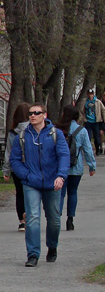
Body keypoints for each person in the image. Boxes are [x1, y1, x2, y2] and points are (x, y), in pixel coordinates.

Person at [9, 102, 68, 267]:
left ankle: (52, 246)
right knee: (33, 218)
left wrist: (61, 176)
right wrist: (26, 175)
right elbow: (14, 160)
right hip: (31, 183)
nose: (32, 116)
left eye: (36, 113)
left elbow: (63, 156)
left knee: (54, 219)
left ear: (44, 115)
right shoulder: (23, 135)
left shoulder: (55, 134)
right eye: (30, 113)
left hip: (52, 182)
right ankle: (33, 254)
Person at [56, 105, 95, 232]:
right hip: (76, 166)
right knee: (73, 192)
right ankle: (70, 219)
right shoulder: (81, 131)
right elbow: (87, 150)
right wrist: (91, 166)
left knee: (60, 194)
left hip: (60, 167)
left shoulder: (57, 130)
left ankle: (57, 218)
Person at [4, 102, 30, 232]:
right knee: (31, 192)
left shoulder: (12, 133)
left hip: (16, 167)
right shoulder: (33, 130)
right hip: (31, 167)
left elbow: (8, 152)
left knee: (19, 193)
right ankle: (30, 216)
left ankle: (21, 221)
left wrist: (6, 170)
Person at [81, 89, 105, 156]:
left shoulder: (97, 101)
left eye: (91, 94)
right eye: (89, 94)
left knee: (96, 137)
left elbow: (104, 110)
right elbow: (82, 111)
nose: (90, 95)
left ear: (93, 94)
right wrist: (83, 118)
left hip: (96, 121)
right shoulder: (85, 102)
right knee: (88, 137)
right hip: (88, 121)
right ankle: (89, 151)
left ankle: (97, 149)